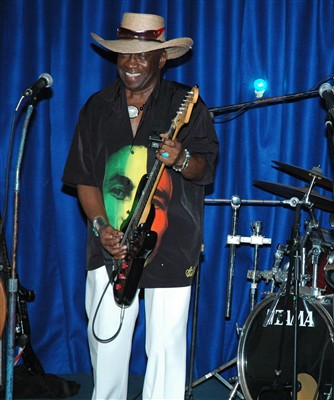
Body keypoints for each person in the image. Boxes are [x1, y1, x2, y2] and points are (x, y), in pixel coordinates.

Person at [62, 12, 218, 399]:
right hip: (110, 244)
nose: (131, 63)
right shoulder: (97, 107)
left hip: (171, 242)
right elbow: (84, 178)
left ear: (161, 59)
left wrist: (181, 159)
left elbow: (205, 169)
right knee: (106, 346)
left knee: (165, 350)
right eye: (124, 54)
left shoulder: (187, 104)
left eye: (142, 54)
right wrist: (101, 227)